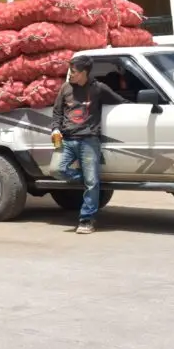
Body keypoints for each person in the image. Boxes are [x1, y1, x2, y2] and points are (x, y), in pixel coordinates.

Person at [50, 56, 128, 235]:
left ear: (84, 73)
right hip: (67, 140)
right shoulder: (65, 88)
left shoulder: (98, 88)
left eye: (74, 72)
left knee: (92, 181)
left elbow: (121, 103)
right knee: (56, 170)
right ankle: (87, 183)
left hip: (89, 140)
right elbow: (57, 112)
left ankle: (87, 219)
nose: (70, 75)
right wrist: (55, 129)